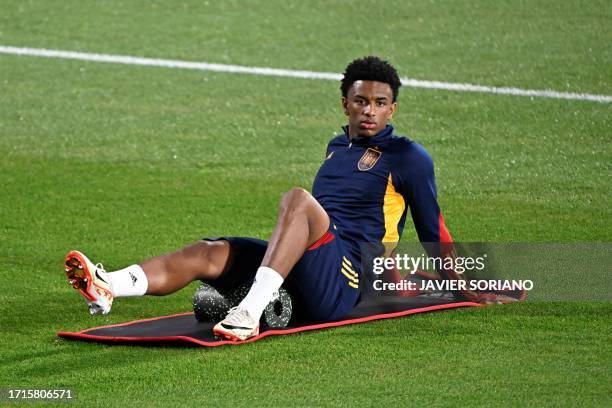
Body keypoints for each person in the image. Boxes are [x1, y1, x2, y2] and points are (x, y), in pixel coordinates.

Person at [64, 56, 456, 341]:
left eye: (380, 103)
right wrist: (394, 281)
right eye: (361, 101)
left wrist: (465, 280)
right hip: (312, 262)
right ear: (345, 104)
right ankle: (110, 284)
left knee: (298, 200)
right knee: (208, 252)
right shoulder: (337, 146)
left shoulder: (408, 157)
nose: (370, 111)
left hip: (344, 281)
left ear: (393, 109)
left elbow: (430, 227)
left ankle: (248, 312)